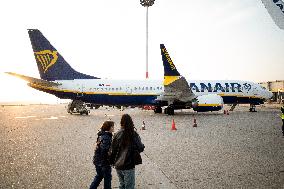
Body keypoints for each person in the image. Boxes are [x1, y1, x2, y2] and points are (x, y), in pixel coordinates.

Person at [110, 114, 145, 189]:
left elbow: (112, 150)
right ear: (131, 122)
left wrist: (112, 162)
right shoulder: (133, 134)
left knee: (122, 185)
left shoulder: (116, 134)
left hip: (118, 165)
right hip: (129, 165)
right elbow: (141, 147)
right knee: (129, 186)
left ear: (121, 122)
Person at [90, 121, 114, 189]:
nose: (113, 128)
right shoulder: (106, 137)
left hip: (97, 161)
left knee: (99, 176)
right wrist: (108, 160)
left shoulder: (101, 134)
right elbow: (104, 150)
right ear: (109, 127)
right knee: (107, 179)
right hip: (104, 163)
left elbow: (99, 148)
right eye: (112, 126)